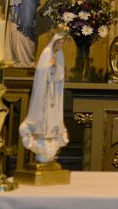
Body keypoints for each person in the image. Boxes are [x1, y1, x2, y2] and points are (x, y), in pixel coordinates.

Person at [19, 32, 68, 162]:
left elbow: (60, 75)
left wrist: (57, 68)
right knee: (44, 112)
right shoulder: (46, 52)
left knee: (53, 113)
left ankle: (51, 135)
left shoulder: (60, 54)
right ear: (54, 41)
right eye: (59, 43)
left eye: (62, 44)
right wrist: (50, 66)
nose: (60, 46)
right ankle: (41, 135)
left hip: (54, 89)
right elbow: (40, 71)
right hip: (45, 90)